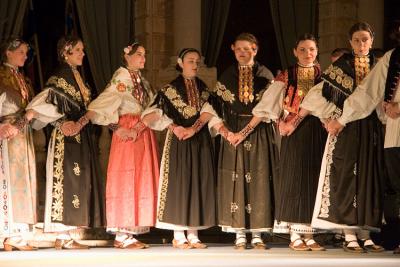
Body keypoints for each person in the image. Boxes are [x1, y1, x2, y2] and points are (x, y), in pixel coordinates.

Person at [293, 22, 385, 253]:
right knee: (345, 177)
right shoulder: (341, 67)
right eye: (356, 40)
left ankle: (366, 232)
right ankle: (348, 233)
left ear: (372, 40)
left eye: (365, 39)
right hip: (347, 130)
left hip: (372, 129)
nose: (361, 44)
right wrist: (332, 117)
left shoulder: (380, 65)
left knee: (368, 177)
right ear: (350, 43)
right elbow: (314, 97)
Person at [25, 36, 105, 249]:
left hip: (81, 135)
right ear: (66, 52)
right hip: (66, 138)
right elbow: (48, 104)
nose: (83, 54)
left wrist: (82, 121)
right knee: (67, 180)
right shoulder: (60, 77)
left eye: (82, 49)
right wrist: (61, 123)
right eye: (78, 50)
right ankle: (63, 234)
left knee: (78, 181)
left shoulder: (80, 78)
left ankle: (68, 235)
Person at [327, 24, 400, 255]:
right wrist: (342, 118)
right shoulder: (392, 56)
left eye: (365, 39)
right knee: (396, 187)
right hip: (394, 131)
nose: (361, 44)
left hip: (388, 124)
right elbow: (370, 91)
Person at [254, 34, 327, 251]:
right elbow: (271, 102)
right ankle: (295, 232)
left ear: (317, 51)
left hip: (316, 129)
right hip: (291, 131)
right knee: (294, 176)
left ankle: (310, 232)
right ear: (295, 51)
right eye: (303, 49)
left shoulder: (324, 76)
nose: (308, 54)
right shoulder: (287, 75)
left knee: (313, 177)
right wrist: (279, 122)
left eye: (312, 49)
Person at [208, 33, 277, 250]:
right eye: (239, 49)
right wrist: (227, 133)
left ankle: (257, 234)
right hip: (232, 132)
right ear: (232, 49)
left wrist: (245, 131)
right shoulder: (227, 75)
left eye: (247, 49)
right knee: (235, 179)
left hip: (257, 131)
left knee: (259, 179)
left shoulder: (265, 75)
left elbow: (268, 108)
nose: (243, 52)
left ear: (255, 49)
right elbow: (213, 107)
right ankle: (239, 233)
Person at [143, 48, 217, 249]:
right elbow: (151, 114)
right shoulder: (169, 89)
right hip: (178, 140)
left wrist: (193, 129)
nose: (194, 64)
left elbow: (209, 112)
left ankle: (193, 233)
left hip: (198, 138)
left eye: (197, 61)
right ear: (180, 62)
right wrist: (175, 127)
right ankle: (178, 234)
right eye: (191, 60)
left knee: (198, 182)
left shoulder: (203, 88)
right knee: (179, 182)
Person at [87, 42, 159, 249]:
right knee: (125, 176)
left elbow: (153, 105)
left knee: (140, 177)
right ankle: (121, 233)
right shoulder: (121, 77)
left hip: (142, 129)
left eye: (144, 55)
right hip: (127, 126)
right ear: (126, 56)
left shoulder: (143, 81)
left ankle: (131, 230)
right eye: (138, 54)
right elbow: (104, 103)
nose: (143, 58)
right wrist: (116, 127)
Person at [0, 38, 37, 251]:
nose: (25, 56)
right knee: (10, 179)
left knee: (24, 180)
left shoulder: (23, 79)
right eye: (21, 52)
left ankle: (19, 232)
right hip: (8, 132)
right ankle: (9, 232)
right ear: (8, 53)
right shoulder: (2, 76)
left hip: (23, 134)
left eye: (25, 52)